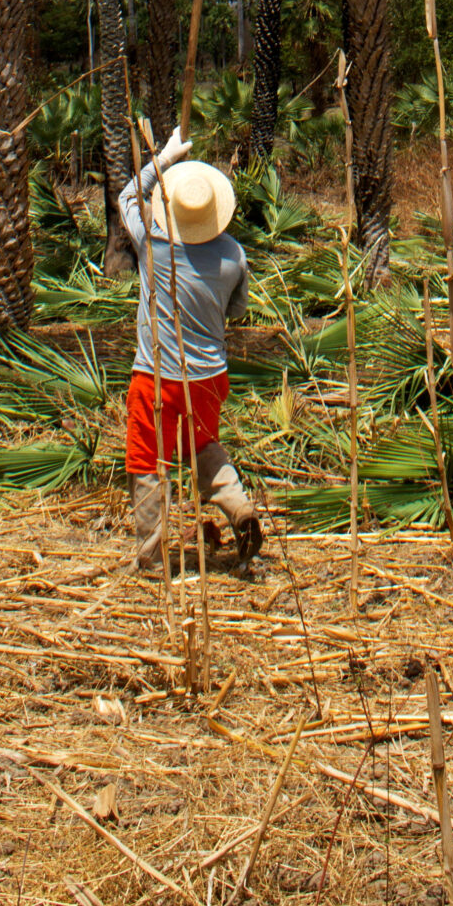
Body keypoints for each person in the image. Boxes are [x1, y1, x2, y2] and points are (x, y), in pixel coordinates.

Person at [119, 124, 262, 572]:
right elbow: (237, 312)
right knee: (202, 446)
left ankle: (152, 557)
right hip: (209, 376)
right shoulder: (234, 255)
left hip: (156, 375)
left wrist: (164, 158)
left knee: (146, 459)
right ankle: (238, 508)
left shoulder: (154, 246)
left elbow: (127, 199)